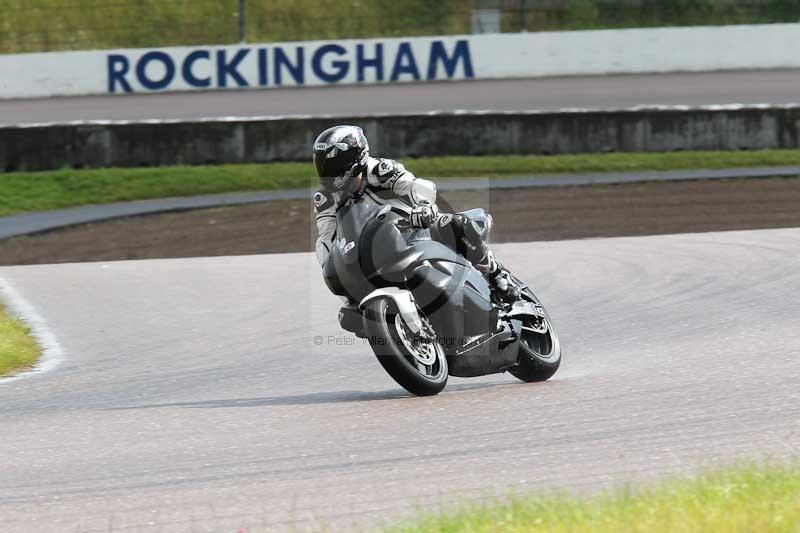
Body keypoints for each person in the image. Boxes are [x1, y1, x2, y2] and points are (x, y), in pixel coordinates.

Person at [312, 125, 520, 300]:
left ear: (355, 158)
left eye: (333, 166)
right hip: (374, 248)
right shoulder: (326, 199)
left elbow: (415, 185)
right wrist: (331, 268)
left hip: (415, 228)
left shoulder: (379, 170)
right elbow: (326, 237)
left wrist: (423, 206)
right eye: (322, 166)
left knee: (456, 226)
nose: (327, 172)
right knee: (350, 313)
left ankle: (498, 276)